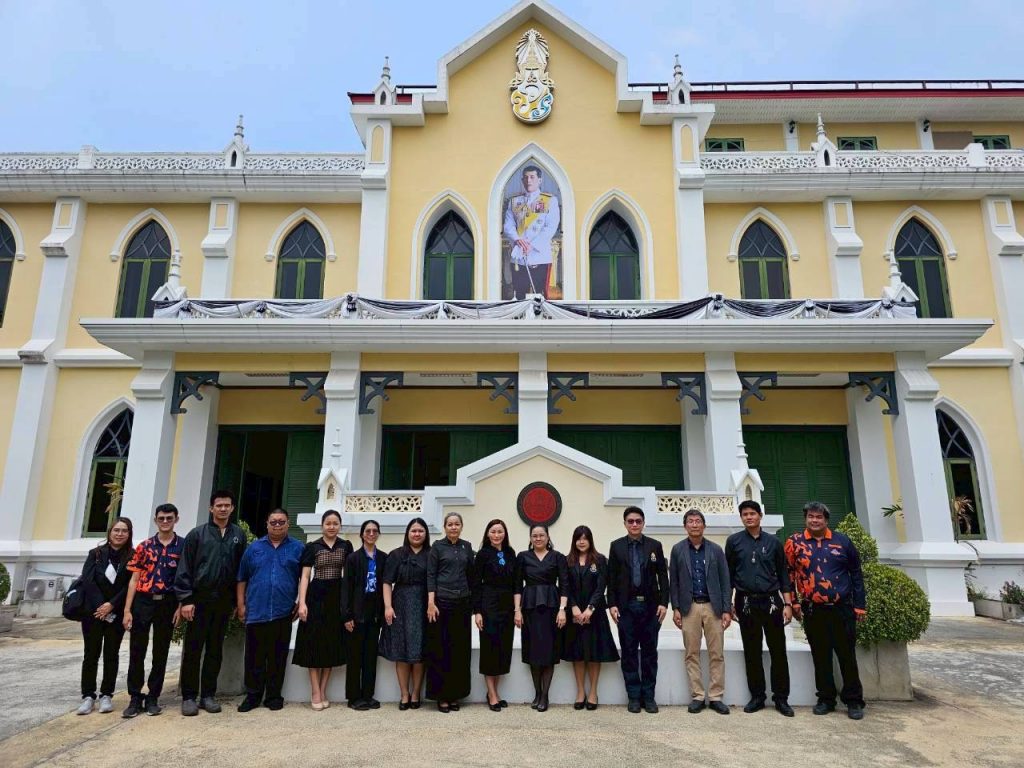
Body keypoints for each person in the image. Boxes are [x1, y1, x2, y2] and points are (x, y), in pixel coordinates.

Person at [785, 501, 868, 720]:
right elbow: (789, 575)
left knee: (846, 655)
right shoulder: (795, 543)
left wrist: (860, 605)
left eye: (819, 517)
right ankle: (826, 698)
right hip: (813, 610)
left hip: (842, 608)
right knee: (820, 656)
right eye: (811, 517)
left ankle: (853, 701)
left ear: (826, 520)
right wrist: (793, 603)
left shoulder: (842, 541)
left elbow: (856, 574)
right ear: (805, 519)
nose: (814, 520)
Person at [175, 489, 248, 717]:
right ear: (211, 508)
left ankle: (208, 694)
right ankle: (189, 696)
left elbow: (240, 571)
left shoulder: (238, 535)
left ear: (232, 508)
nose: (223, 509)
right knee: (194, 649)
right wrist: (186, 599)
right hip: (199, 601)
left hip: (223, 602)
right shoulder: (197, 535)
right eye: (219, 505)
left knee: (215, 649)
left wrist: (238, 601)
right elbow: (185, 568)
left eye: (227, 505)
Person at [725, 499, 795, 717]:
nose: (749, 517)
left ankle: (781, 698)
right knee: (752, 651)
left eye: (752, 513)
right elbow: (728, 575)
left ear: (760, 516)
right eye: (745, 514)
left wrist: (788, 604)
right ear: (741, 518)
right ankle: (757, 696)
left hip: (772, 601)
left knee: (778, 650)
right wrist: (728, 603)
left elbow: (783, 574)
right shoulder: (734, 542)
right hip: (745, 601)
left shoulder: (773, 542)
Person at [236, 508, 303, 712]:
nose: (277, 525)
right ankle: (253, 695)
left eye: (281, 522)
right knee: (254, 656)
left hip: (283, 611)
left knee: (278, 656)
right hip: (256, 610)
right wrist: (241, 605)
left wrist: (300, 601)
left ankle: (274, 695)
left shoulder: (298, 548)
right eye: (273, 522)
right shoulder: (254, 548)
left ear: (288, 524)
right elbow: (242, 578)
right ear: (267, 524)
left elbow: (305, 578)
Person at [121, 503, 183, 718]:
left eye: (169, 518)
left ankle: (154, 696)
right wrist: (127, 610)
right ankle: (135, 696)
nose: (165, 522)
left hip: (167, 603)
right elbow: (134, 579)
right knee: (137, 650)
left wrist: (180, 606)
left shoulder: (183, 547)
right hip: (143, 601)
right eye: (161, 518)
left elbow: (185, 580)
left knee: (161, 651)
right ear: (155, 520)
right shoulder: (144, 547)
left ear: (176, 519)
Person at [670, 509, 732, 715]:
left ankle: (715, 696)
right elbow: (674, 582)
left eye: (698, 521)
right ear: (685, 526)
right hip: (690, 608)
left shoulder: (715, 550)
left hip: (713, 607)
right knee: (692, 653)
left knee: (717, 653)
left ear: (704, 526)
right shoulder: (678, 550)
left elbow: (725, 581)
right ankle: (697, 695)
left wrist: (726, 609)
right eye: (690, 521)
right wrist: (676, 608)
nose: (694, 524)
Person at [607, 506, 668, 714]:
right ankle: (634, 697)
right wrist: (612, 604)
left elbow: (663, 577)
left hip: (651, 608)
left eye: (638, 521)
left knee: (650, 653)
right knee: (630, 653)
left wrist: (664, 603)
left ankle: (649, 697)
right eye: (630, 521)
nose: (634, 524)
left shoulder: (654, 546)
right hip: (626, 608)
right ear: (625, 523)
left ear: (643, 523)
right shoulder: (616, 547)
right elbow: (611, 579)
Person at [293, 509, 351, 710]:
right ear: (322, 526)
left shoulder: (346, 545)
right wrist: (302, 602)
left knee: (331, 644)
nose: (332, 527)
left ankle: (324, 689)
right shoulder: (312, 547)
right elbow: (306, 576)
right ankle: (315, 691)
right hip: (316, 597)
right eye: (328, 523)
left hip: (337, 597)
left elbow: (349, 575)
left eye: (335, 523)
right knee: (313, 643)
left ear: (340, 526)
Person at [75, 517, 133, 715]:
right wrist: (101, 606)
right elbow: (88, 581)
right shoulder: (96, 554)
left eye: (124, 531)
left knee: (111, 654)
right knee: (90, 654)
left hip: (115, 614)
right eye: (116, 530)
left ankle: (107, 694)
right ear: (110, 532)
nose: (119, 534)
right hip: (93, 613)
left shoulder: (132, 556)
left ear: (129, 534)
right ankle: (88, 695)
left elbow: (129, 586)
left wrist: (111, 605)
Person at [561, 525, 619, 710]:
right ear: (574, 540)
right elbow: (564, 586)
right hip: (575, 614)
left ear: (590, 540)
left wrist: (590, 609)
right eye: (578, 538)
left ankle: (593, 692)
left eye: (585, 538)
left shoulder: (600, 560)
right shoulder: (567, 560)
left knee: (595, 654)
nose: (582, 541)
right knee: (577, 654)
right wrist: (574, 608)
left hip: (595, 614)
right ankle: (580, 692)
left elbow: (601, 586)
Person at [514, 524, 568, 713]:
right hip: (529, 608)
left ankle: (545, 695)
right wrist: (517, 610)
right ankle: (537, 692)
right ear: (530, 538)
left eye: (541, 535)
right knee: (533, 652)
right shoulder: (523, 557)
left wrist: (562, 610)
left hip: (552, 608)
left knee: (548, 652)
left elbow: (565, 585)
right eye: (534, 535)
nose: (538, 538)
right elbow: (517, 586)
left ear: (547, 537)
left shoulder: (558, 557)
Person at [425, 511, 474, 713]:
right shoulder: (437, 547)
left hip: (462, 604)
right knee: (441, 650)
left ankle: (456, 695)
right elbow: (431, 575)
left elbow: (471, 574)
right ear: (444, 527)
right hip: (441, 605)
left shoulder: (467, 547)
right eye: (450, 524)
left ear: (461, 526)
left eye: (457, 524)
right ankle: (441, 696)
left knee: (459, 652)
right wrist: (431, 602)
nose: (453, 527)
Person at [381, 517, 431, 710]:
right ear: (407, 533)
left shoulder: (431, 554)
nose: (417, 534)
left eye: (420, 531)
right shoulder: (396, 554)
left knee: (419, 652)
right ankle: (404, 694)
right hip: (399, 604)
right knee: (401, 652)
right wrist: (388, 606)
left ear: (425, 534)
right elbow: (387, 582)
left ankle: (416, 693)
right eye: (413, 531)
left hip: (423, 605)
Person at [342, 519, 387, 711]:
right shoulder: (353, 559)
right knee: (355, 657)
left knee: (370, 656)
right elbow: (346, 588)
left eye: (374, 530)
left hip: (375, 612)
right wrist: (346, 615)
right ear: (362, 534)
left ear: (378, 534)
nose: (371, 533)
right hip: (356, 612)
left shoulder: (383, 558)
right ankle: (354, 697)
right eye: (367, 530)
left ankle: (368, 695)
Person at [472, 519, 517, 712]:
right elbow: (475, 583)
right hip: (488, 604)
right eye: (493, 531)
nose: (497, 535)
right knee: (490, 648)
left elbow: (516, 581)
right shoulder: (482, 554)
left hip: (507, 605)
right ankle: (491, 694)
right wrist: (477, 611)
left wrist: (517, 608)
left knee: (502, 648)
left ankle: (495, 692)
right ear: (488, 534)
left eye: (500, 531)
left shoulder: (510, 553)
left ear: (505, 533)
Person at [502, 164, 560, 299]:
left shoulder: (550, 201)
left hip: (539, 255)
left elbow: (550, 227)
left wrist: (531, 245)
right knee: (519, 293)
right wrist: (517, 240)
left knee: (539, 295)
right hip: (518, 255)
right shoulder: (514, 202)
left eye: (532, 177)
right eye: (526, 177)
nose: (529, 180)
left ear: (539, 180)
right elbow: (508, 226)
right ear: (522, 180)